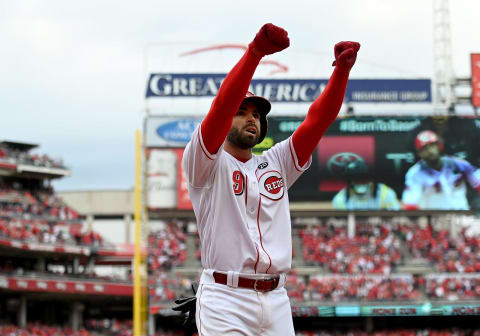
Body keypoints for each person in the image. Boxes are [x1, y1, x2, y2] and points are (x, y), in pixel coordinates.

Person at [182, 23, 360, 335]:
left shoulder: (275, 162)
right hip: (226, 296)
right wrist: (255, 53)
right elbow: (221, 105)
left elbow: (317, 121)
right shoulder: (204, 160)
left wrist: (341, 72)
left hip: (276, 299)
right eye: (242, 111)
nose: (251, 117)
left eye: (256, 113)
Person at [402, 130, 480, 210]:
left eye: (432, 145)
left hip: (461, 217)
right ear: (419, 153)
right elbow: (410, 204)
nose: (429, 151)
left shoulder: (458, 164)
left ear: (439, 146)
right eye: (424, 148)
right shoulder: (415, 173)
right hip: (433, 218)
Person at [332, 160, 400, 210]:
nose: (360, 182)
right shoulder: (340, 199)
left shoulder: (385, 194)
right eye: (356, 179)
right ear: (349, 182)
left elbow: (397, 218)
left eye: (363, 178)